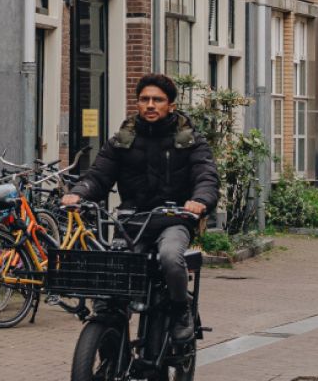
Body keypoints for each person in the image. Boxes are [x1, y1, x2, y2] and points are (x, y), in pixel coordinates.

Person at [62, 73, 218, 343]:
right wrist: (78, 194)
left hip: (174, 219)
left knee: (170, 257)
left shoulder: (190, 141)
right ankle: (109, 353)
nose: (150, 105)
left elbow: (206, 176)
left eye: (157, 100)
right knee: (112, 281)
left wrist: (200, 200)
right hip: (132, 222)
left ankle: (181, 310)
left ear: (170, 105)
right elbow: (98, 176)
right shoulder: (122, 140)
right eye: (144, 99)